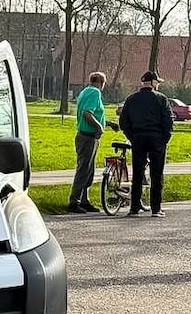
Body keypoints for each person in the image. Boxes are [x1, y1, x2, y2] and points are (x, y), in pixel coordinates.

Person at [119, 70, 174, 217]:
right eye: (157, 82)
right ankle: (156, 208)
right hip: (157, 139)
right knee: (156, 174)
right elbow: (168, 121)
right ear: (153, 83)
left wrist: (131, 136)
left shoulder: (131, 99)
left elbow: (123, 122)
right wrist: (164, 138)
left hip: (138, 138)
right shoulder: (161, 99)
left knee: (137, 173)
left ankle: (134, 207)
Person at [68, 72, 107, 214]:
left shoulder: (84, 91)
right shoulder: (95, 93)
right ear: (101, 82)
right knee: (84, 169)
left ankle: (84, 200)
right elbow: (87, 113)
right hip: (88, 137)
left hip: (83, 135)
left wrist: (107, 123)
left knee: (89, 170)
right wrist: (99, 127)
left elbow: (93, 115)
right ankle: (75, 201)